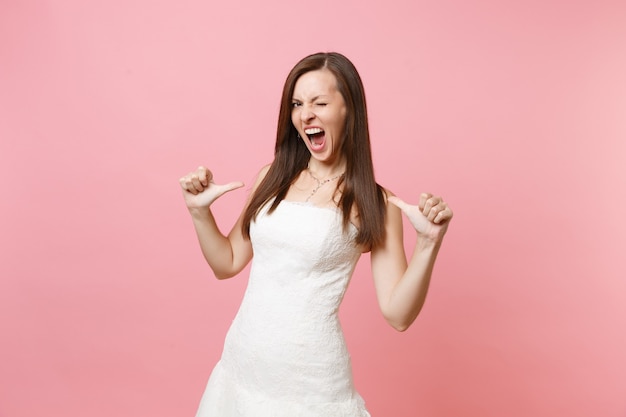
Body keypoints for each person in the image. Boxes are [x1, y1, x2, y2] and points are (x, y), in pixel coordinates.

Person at [179, 52, 453, 417]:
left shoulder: (375, 202)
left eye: (319, 102)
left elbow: (397, 315)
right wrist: (199, 212)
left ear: (348, 109)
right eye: (296, 103)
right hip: (240, 368)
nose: (304, 114)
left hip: (311, 386)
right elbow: (226, 262)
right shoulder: (271, 177)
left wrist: (428, 243)